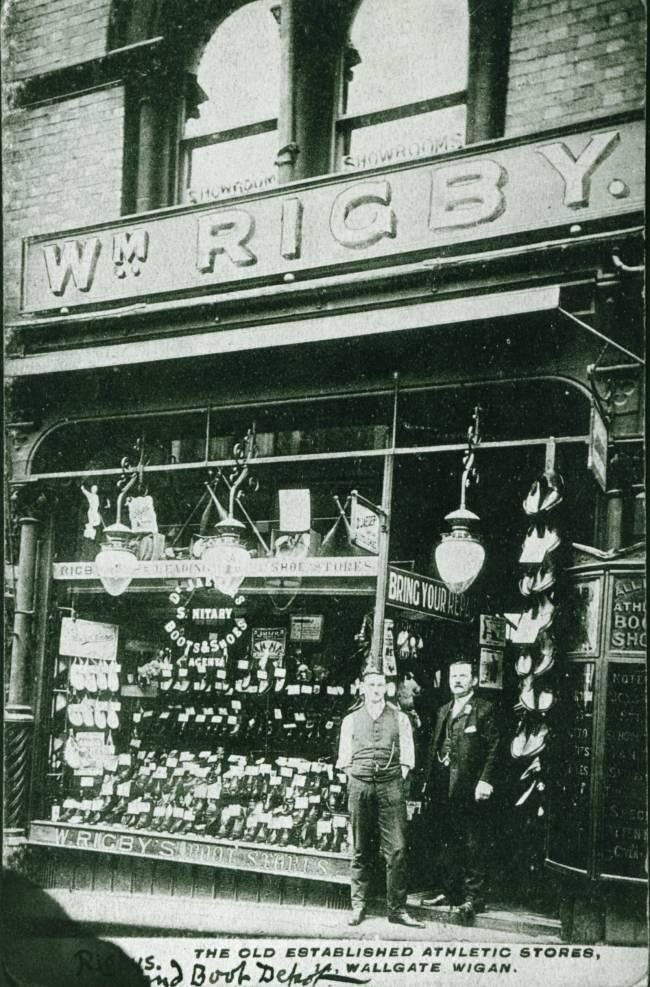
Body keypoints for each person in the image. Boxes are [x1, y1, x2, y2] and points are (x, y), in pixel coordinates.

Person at [337, 667, 424, 928]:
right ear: (362, 688)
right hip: (360, 785)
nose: (375, 690)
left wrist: (395, 779)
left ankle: (396, 909)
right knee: (361, 848)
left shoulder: (400, 719)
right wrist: (356, 779)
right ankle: (358, 906)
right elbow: (344, 759)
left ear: (387, 689)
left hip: (391, 787)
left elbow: (408, 757)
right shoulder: (350, 720)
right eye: (371, 685)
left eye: (380, 685)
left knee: (396, 849)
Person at [421, 658, 500, 921]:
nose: (457, 680)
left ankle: (472, 898)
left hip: (470, 788)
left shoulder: (485, 709)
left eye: (463, 676)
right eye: (453, 675)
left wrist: (485, 781)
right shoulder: (444, 710)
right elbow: (436, 747)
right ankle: (450, 891)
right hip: (444, 785)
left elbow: (495, 749)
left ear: (474, 680)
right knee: (447, 840)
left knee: (472, 843)